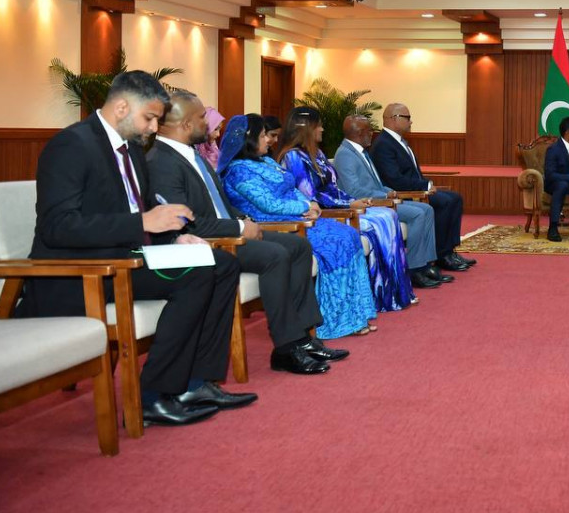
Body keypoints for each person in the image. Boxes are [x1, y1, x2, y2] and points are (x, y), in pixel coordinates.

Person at [21, 70, 256, 427]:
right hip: (83, 271)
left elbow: (139, 211)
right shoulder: (72, 145)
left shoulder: (131, 147)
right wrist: (143, 223)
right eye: (149, 118)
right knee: (197, 275)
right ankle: (154, 396)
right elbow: (57, 227)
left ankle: (195, 383)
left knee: (222, 264)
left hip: (127, 258)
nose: (153, 128)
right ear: (121, 108)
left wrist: (173, 238)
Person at [147, 90, 345, 375]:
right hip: (209, 241)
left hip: (228, 230)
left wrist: (243, 220)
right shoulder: (161, 162)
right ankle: (287, 347)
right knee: (275, 255)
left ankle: (304, 337)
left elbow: (220, 204)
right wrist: (240, 227)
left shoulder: (192, 155)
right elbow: (186, 222)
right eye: (202, 117)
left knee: (298, 246)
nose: (208, 123)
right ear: (186, 124)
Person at [219, 114, 377, 339]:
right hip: (276, 224)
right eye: (263, 136)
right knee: (336, 242)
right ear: (249, 139)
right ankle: (334, 321)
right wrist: (304, 206)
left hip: (298, 217)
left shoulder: (266, 161)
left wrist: (310, 203)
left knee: (349, 234)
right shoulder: (238, 170)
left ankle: (354, 315)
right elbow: (268, 204)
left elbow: (292, 187)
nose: (269, 140)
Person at [278, 106, 415, 310]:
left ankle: (393, 292)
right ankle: (381, 293)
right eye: (319, 125)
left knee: (388, 215)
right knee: (379, 222)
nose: (322, 129)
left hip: (339, 206)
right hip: (324, 214)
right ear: (307, 128)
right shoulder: (293, 158)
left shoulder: (317, 154)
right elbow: (311, 196)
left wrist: (352, 200)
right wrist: (348, 204)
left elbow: (334, 188)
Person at [334, 113, 449, 289]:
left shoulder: (361, 152)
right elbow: (353, 191)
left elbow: (377, 184)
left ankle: (425, 264)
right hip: (369, 205)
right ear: (359, 133)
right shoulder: (345, 155)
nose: (372, 133)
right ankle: (414, 269)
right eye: (369, 130)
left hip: (381, 199)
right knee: (418, 214)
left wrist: (390, 192)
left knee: (427, 209)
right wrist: (386, 196)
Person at [371, 102, 476, 271]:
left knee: (455, 198)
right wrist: (425, 185)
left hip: (417, 190)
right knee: (445, 202)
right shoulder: (383, 144)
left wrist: (425, 185)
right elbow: (394, 180)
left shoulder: (398, 141)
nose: (411, 122)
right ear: (393, 118)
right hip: (404, 194)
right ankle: (441, 254)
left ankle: (449, 251)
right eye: (407, 118)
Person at [195, 105, 225, 170]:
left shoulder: (213, 148)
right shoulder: (195, 151)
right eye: (215, 129)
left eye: (219, 130)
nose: (218, 134)